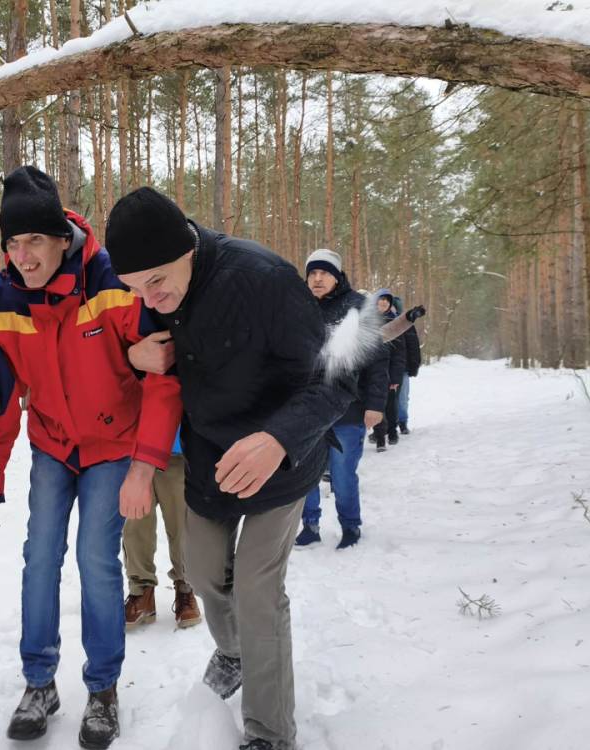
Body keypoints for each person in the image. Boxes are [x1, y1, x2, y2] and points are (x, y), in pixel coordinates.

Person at [104, 187, 354, 750]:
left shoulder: (263, 278)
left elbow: (339, 379)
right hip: (211, 457)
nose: (150, 298)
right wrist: (131, 356)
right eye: (136, 288)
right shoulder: (154, 292)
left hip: (281, 459)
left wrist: (278, 439)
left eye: (157, 281)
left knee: (257, 591)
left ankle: (269, 731)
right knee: (203, 572)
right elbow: (123, 356)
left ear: (187, 248)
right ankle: (237, 652)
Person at [0, 166, 181, 749]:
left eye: (34, 240)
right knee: (39, 557)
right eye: (13, 243)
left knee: (95, 559)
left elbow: (162, 373)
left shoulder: (111, 282)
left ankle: (103, 689)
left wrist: (146, 464)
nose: (23, 255)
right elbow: (3, 397)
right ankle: (39, 682)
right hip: (52, 444)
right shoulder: (5, 297)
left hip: (112, 446)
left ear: (63, 238)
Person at [295, 249, 389, 550]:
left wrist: (375, 405)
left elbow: (377, 361)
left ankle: (350, 526)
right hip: (306, 410)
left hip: (348, 409)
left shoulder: (359, 308)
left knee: (342, 474)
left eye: (324, 273)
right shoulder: (298, 306)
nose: (317, 279)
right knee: (304, 473)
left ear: (337, 277)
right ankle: (309, 525)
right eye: (312, 273)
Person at [120, 424, 202, 629]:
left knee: (182, 524)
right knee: (136, 525)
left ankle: (185, 587)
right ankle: (141, 592)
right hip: (135, 451)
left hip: (179, 450)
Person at [371, 289, 406, 452]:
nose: (384, 302)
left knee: (390, 406)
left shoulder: (395, 323)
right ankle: (380, 438)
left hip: (389, 372)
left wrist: (395, 378)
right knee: (375, 405)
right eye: (381, 299)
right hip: (372, 373)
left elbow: (399, 354)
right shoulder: (368, 322)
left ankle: (392, 432)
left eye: (387, 300)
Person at [397, 302, 422, 434]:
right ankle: (382, 426)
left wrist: (414, 365)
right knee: (383, 400)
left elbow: (413, 347)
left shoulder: (407, 325)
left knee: (402, 398)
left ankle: (402, 422)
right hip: (384, 368)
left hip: (403, 368)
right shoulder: (380, 323)